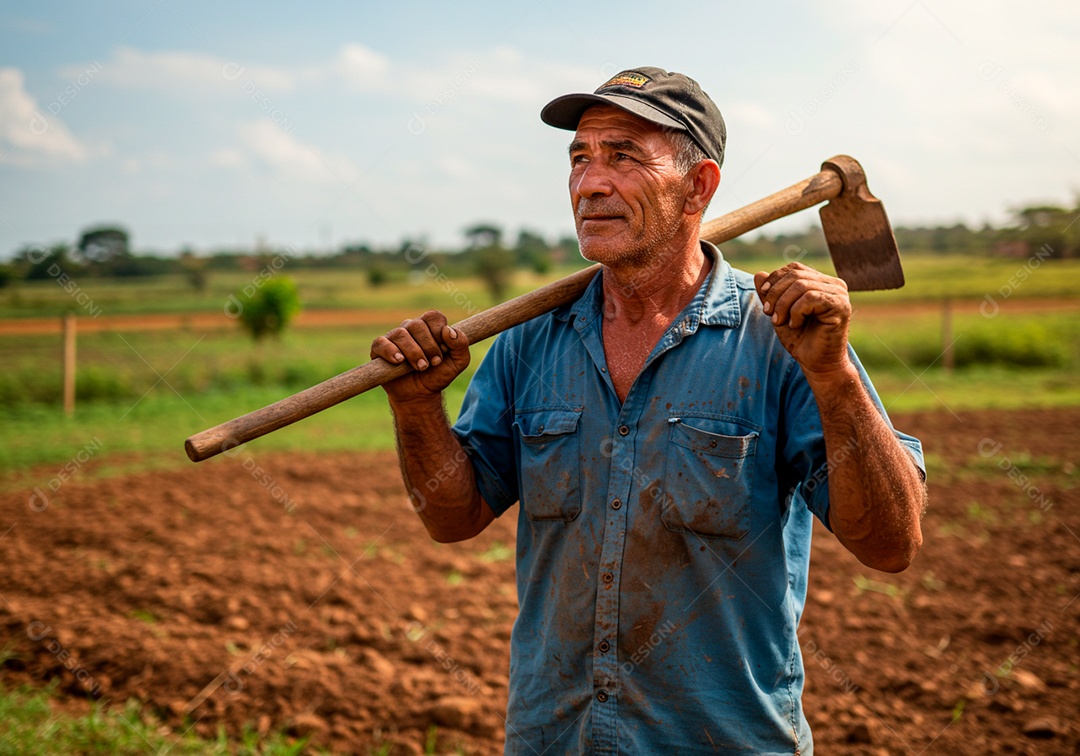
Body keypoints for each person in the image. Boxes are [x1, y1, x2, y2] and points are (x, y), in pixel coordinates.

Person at [371, 67, 927, 755]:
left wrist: (834, 375)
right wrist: (417, 406)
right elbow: (452, 519)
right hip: (555, 737)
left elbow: (891, 545)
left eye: (624, 156)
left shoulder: (784, 339)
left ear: (699, 186)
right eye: (580, 158)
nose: (590, 182)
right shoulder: (527, 341)